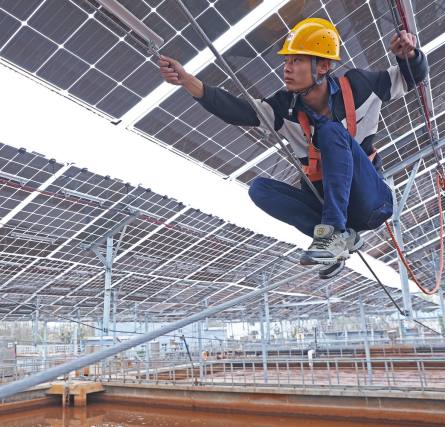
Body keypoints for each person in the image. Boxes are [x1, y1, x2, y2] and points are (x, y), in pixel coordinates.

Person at [158, 18, 428, 279]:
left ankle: (333, 235)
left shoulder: (360, 86)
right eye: (286, 61)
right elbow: (238, 110)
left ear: (324, 66)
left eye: (297, 60)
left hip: (369, 201)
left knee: (331, 131)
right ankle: (337, 240)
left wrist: (410, 55)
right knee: (260, 189)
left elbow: (410, 77)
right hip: (325, 203)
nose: (286, 69)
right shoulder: (283, 108)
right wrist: (188, 81)